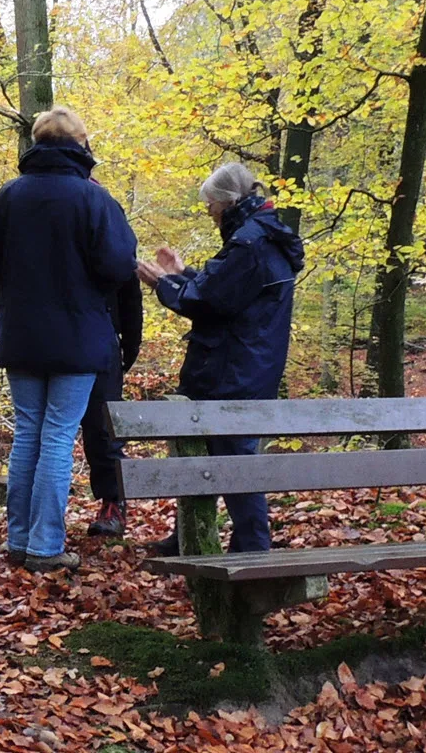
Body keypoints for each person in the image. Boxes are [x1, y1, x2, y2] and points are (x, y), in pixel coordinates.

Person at [0, 107, 137, 572]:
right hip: (78, 339)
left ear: (37, 142)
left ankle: (19, 540)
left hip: (22, 335)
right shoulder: (94, 200)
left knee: (27, 434)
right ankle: (45, 547)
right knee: (59, 437)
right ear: (81, 144)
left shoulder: (10, 196)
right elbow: (120, 266)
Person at [135, 162, 304, 556]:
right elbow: (227, 290)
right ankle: (191, 536)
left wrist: (163, 283)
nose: (209, 213)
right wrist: (183, 272)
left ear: (227, 203)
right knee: (205, 455)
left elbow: (208, 301)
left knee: (234, 460)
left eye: (210, 205)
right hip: (249, 364)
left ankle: (252, 548)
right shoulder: (262, 236)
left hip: (232, 369)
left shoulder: (249, 243)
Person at [0, 243, 143, 540]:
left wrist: (129, 345)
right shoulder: (37, 232)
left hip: (97, 343)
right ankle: (40, 530)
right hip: (63, 344)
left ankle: (111, 505)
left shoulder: (100, 233)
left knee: (100, 429)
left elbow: (128, 290)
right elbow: (2, 290)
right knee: (46, 436)